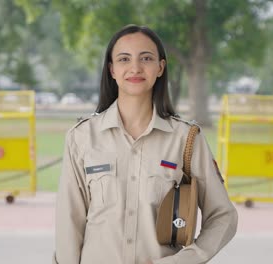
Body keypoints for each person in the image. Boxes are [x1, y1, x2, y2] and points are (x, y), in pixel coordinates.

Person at [53, 24, 237, 264]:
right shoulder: (82, 136)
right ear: (112, 70)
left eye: (146, 58)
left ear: (160, 67)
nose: (135, 68)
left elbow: (223, 216)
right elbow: (69, 220)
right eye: (124, 59)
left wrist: (185, 260)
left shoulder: (186, 138)